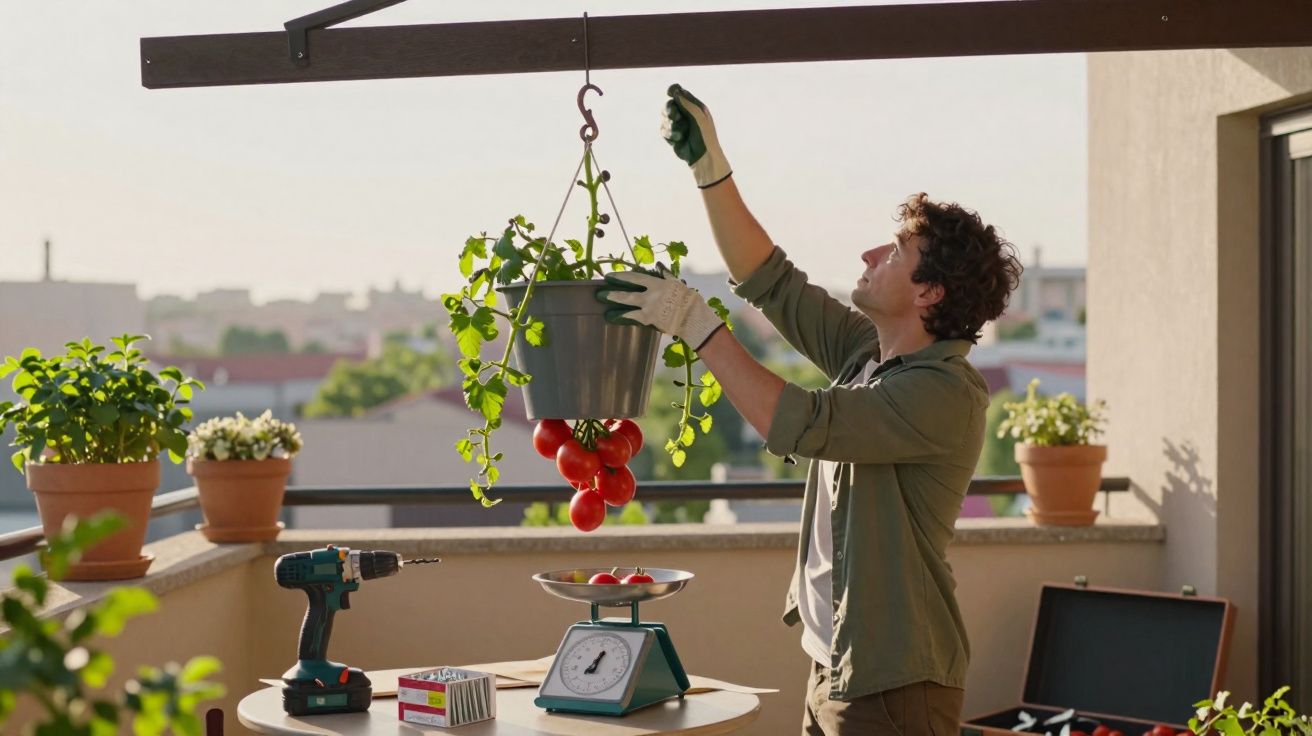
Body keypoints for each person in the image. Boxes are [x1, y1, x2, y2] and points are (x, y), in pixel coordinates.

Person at [597, 84, 1024, 736]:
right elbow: (771, 280)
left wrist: (695, 325)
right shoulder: (868, 355)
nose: (868, 256)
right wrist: (710, 169)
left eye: (893, 253)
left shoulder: (943, 395)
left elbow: (799, 421)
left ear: (929, 293)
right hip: (835, 666)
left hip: (895, 685)